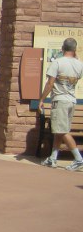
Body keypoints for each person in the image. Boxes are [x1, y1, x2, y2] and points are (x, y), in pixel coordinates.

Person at [39, 37, 83, 171]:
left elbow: (50, 83)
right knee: (59, 131)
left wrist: (41, 99)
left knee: (62, 131)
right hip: (71, 100)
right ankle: (53, 158)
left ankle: (78, 159)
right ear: (74, 49)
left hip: (60, 100)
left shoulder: (57, 62)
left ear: (63, 48)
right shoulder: (79, 64)